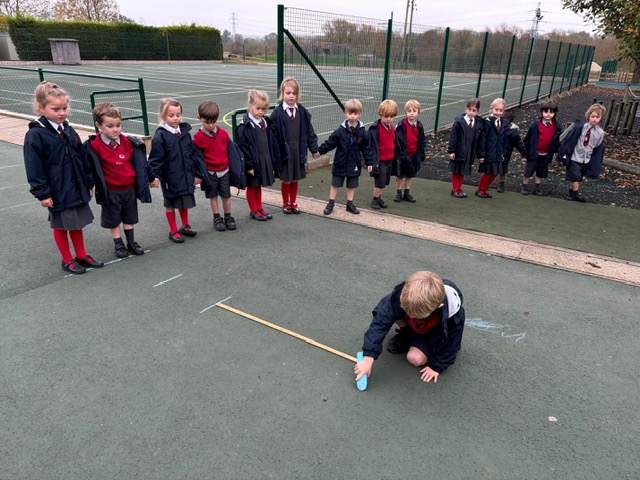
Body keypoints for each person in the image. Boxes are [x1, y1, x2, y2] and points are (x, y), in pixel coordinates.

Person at [23, 81, 104, 275]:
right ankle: (67, 259)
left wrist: (88, 182)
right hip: (57, 190)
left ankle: (81, 255)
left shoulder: (68, 130)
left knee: (76, 222)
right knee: (61, 224)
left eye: (65, 108)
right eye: (56, 109)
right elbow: (34, 167)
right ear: (41, 108)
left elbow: (82, 159)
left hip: (75, 187)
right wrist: (42, 193)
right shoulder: (36, 135)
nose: (62, 113)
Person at [354, 271, 465, 386]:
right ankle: (408, 334)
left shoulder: (453, 313)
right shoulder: (405, 296)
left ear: (438, 306)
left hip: (431, 333)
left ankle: (418, 341)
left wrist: (437, 366)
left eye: (417, 315)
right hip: (416, 325)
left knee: (415, 359)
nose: (411, 316)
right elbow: (380, 323)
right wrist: (368, 356)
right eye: (408, 311)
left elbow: (453, 341)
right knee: (390, 311)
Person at [87, 102, 158, 258]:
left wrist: (152, 178)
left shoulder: (127, 141)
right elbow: (90, 168)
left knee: (129, 216)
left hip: (129, 188)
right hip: (111, 190)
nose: (116, 129)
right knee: (113, 219)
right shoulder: (94, 145)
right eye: (110, 126)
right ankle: (118, 243)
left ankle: (131, 242)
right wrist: (89, 185)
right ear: (99, 125)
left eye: (118, 125)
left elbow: (142, 163)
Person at [148, 98, 201, 243]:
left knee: (184, 199)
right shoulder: (160, 136)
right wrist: (154, 176)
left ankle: (185, 225)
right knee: (170, 203)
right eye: (171, 115)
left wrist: (197, 173)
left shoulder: (185, 133)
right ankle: (173, 230)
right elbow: (156, 159)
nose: (176, 118)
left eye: (178, 114)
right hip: (170, 177)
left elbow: (192, 155)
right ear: (163, 116)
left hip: (185, 175)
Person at [270, 77, 320, 214]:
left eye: (294, 93)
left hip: (298, 150)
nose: (291, 96)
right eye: (288, 93)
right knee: (286, 179)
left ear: (297, 95)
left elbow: (310, 132)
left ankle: (293, 202)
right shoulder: (277, 113)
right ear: (282, 94)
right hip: (285, 152)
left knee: (295, 178)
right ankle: (286, 203)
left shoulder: (302, 112)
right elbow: (273, 136)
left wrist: (314, 149)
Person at [318, 98, 374, 215]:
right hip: (340, 162)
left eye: (355, 113)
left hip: (354, 163)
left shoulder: (363, 132)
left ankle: (349, 204)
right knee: (335, 183)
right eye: (350, 113)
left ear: (359, 114)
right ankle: (331, 203)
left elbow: (366, 148)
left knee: (351, 184)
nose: (352, 116)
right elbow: (330, 142)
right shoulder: (340, 130)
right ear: (345, 113)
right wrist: (319, 151)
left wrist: (369, 162)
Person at [193, 100, 240, 232]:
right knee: (212, 196)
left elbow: (231, 153)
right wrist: (198, 174)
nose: (210, 125)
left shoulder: (224, 134)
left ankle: (228, 216)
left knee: (226, 196)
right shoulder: (197, 138)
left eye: (213, 122)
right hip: (210, 173)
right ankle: (216, 217)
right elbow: (197, 158)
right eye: (207, 122)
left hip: (224, 171)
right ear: (199, 118)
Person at [236, 90, 280, 221]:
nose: (261, 112)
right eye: (258, 108)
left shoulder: (264, 122)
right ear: (250, 106)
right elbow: (243, 148)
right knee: (252, 185)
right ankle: (253, 210)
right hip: (253, 161)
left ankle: (259, 207)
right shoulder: (244, 127)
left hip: (263, 159)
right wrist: (249, 165)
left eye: (263, 109)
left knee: (259, 185)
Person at [557, 103, 606, 203]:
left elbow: (597, 145)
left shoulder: (600, 132)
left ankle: (571, 192)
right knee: (575, 175)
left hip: (586, 158)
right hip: (575, 156)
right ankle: (576, 194)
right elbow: (571, 139)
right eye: (592, 116)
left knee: (578, 177)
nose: (594, 119)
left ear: (601, 118)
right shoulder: (581, 127)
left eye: (597, 117)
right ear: (588, 116)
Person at [521, 101, 561, 196]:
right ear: (541, 112)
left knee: (541, 172)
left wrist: (556, 151)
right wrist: (524, 151)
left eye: (551, 112)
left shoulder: (556, 126)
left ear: (554, 113)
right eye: (546, 111)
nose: (548, 114)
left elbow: (556, 141)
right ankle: (524, 186)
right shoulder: (536, 125)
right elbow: (528, 138)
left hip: (546, 154)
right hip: (534, 153)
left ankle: (537, 187)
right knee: (529, 170)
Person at [448, 98, 484, 198]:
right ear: (465, 109)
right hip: (459, 150)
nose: (471, 112)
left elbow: (479, 139)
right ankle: (455, 189)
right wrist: (451, 151)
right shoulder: (459, 122)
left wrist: (479, 154)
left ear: (477, 111)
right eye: (469, 109)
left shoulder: (478, 124)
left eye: (474, 111)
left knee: (462, 171)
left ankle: (459, 188)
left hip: (469, 151)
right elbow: (453, 137)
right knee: (456, 170)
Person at [476, 98, 510, 198]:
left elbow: (504, 139)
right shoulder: (487, 122)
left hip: (498, 153)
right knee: (488, 172)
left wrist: (503, 152)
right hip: (488, 153)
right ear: (491, 109)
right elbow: (482, 139)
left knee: (494, 173)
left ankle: (485, 188)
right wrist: (481, 154)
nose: (498, 112)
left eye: (501, 110)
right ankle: (480, 189)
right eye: (496, 110)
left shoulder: (504, 123)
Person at [394, 99, 426, 202]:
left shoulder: (419, 126)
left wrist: (421, 153)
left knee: (410, 174)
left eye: (414, 111)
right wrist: (402, 154)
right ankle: (398, 193)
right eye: (409, 111)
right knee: (400, 175)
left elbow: (422, 140)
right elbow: (398, 141)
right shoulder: (401, 125)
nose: (411, 113)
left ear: (418, 112)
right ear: (405, 112)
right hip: (403, 154)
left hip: (414, 154)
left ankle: (407, 193)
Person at [368, 99, 398, 209]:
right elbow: (370, 146)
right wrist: (370, 161)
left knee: (385, 181)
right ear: (381, 115)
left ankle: (379, 198)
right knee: (380, 182)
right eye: (386, 116)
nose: (389, 119)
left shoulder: (392, 128)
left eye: (391, 116)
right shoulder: (375, 129)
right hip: (379, 161)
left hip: (389, 159)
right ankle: (375, 200)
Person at [496, 110, 526, 193]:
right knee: (493, 167)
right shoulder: (498, 127)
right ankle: (489, 183)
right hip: (496, 151)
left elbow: (518, 143)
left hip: (505, 153)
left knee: (502, 168)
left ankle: (501, 184)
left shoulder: (512, 131)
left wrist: (524, 152)